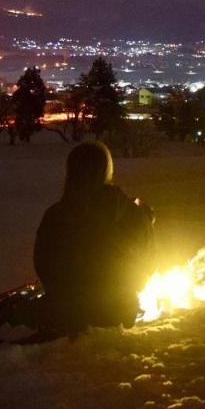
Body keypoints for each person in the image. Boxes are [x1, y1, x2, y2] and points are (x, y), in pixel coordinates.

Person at [33, 141, 156, 332]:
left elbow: (44, 265)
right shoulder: (133, 213)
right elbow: (146, 269)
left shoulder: (57, 214)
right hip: (119, 313)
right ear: (108, 170)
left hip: (65, 312)